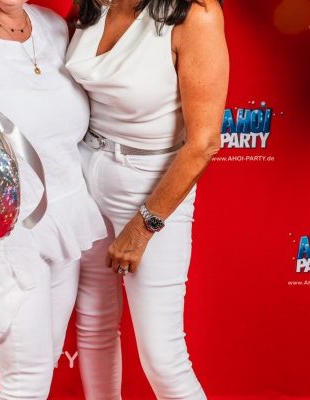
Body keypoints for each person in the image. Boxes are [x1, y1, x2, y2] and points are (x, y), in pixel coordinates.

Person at [0, 1, 108, 398]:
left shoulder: (53, 26)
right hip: (8, 226)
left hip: (65, 218)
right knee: (26, 381)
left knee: (41, 370)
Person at [66, 0, 229, 398]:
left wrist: (142, 227)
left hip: (149, 184)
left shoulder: (197, 14)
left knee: (163, 357)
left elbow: (204, 143)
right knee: (93, 325)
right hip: (83, 174)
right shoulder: (93, 4)